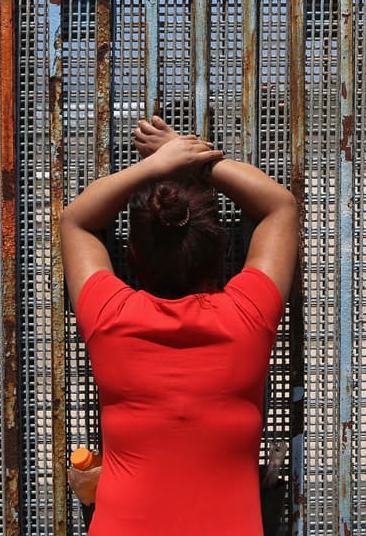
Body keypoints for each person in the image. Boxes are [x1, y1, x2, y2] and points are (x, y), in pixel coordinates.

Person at [60, 116, 298, 536]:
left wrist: (155, 165)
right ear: (219, 252)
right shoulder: (247, 317)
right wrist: (195, 160)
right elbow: (279, 206)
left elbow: (76, 221)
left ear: (132, 255)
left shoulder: (110, 317)